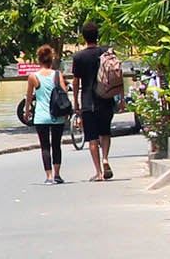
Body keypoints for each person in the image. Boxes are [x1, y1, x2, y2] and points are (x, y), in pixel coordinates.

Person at [69, 21, 116, 181]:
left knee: (92, 138)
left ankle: (98, 172)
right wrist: (121, 98)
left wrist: (75, 103)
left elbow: (76, 82)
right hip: (106, 98)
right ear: (98, 35)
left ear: (84, 37)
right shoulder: (106, 53)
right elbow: (117, 75)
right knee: (105, 132)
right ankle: (106, 159)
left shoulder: (79, 57)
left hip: (88, 101)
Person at [28, 43, 69, 185]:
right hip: (57, 115)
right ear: (51, 59)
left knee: (45, 146)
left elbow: (28, 97)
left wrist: (27, 111)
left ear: (39, 60)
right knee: (56, 145)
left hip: (41, 116)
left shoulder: (33, 77)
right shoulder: (57, 75)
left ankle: (49, 176)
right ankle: (57, 174)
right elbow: (64, 92)